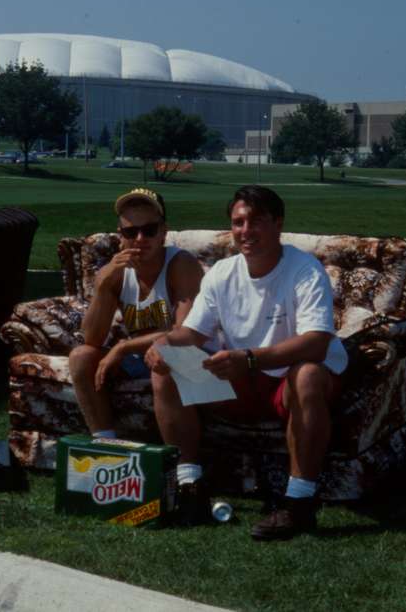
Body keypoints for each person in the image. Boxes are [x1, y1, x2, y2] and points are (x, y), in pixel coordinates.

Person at [145, 185, 348, 540]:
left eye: (256, 221)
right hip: (244, 377)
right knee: (167, 367)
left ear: (278, 224)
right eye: (238, 222)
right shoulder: (223, 272)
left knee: (308, 375)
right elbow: (192, 333)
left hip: (287, 380)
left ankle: (298, 504)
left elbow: (317, 343)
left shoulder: (305, 269)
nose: (245, 231)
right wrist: (163, 343)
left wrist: (250, 358)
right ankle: (190, 486)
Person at [69, 188, 204, 443]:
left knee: (166, 359)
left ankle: (179, 463)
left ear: (163, 231)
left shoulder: (181, 265)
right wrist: (103, 285)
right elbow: (91, 339)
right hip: (140, 358)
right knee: (81, 357)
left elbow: (184, 333)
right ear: (121, 236)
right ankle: (106, 444)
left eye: (149, 230)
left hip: (188, 357)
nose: (140, 238)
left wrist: (123, 347)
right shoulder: (116, 271)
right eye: (131, 232)